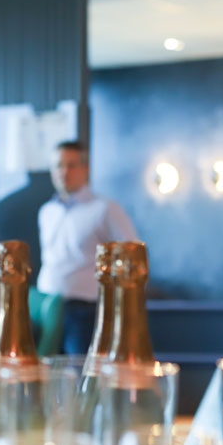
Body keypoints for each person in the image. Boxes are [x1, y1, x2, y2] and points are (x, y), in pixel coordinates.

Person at [36, 140, 138, 354]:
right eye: (58, 166)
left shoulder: (105, 208)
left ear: (85, 169)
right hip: (46, 305)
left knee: (81, 375)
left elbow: (132, 253)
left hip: (84, 310)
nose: (64, 172)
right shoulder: (46, 211)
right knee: (46, 375)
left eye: (71, 165)